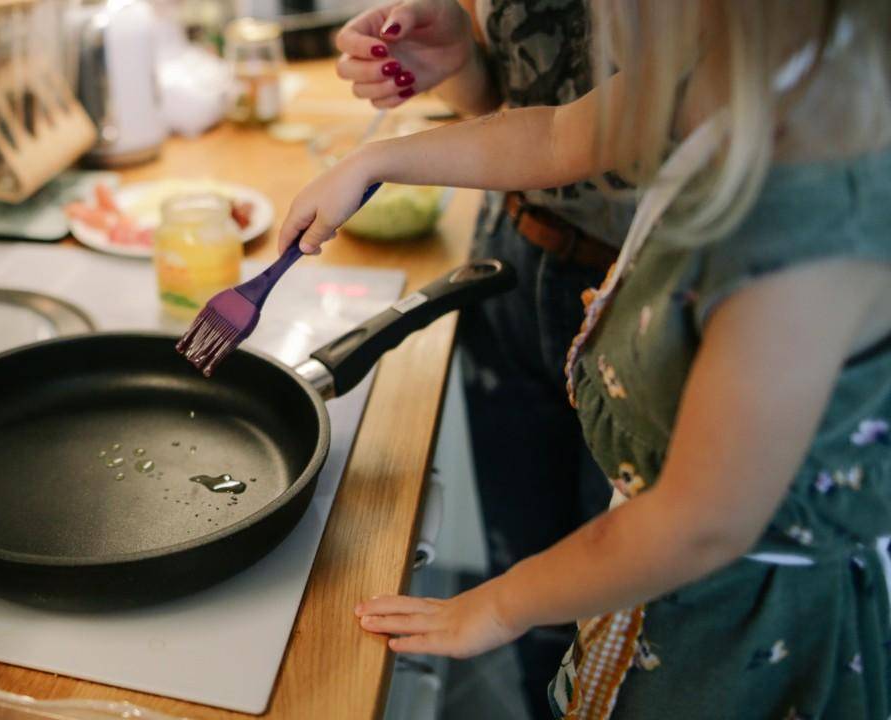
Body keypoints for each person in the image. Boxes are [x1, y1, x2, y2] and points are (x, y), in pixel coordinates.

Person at [287, 0, 891, 716]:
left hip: (738, 625)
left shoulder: (803, 239)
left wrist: (501, 606)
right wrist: (375, 161)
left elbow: (699, 524)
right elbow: (554, 136)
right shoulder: (734, 66)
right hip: (658, 569)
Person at [332, 0, 624, 710]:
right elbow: (530, 105)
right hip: (516, 257)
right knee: (525, 559)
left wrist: (379, 160)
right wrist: (460, 63)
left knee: (619, 604)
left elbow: (685, 530)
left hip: (648, 293)